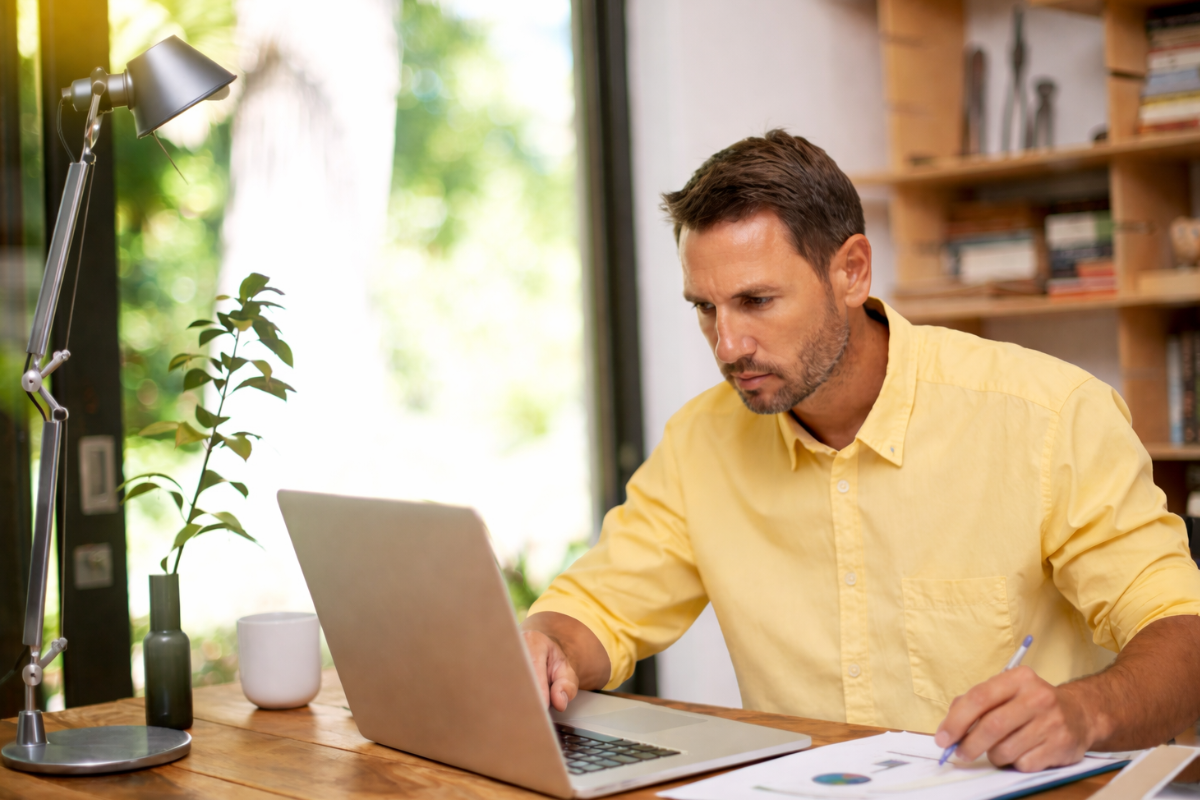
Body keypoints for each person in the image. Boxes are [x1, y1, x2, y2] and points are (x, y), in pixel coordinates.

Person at [520, 130, 1200, 772]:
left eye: (756, 300)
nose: (727, 346)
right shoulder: (701, 443)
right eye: (705, 308)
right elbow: (597, 610)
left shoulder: (1049, 417)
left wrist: (1082, 712)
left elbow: (1184, 632)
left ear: (851, 272)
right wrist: (547, 646)